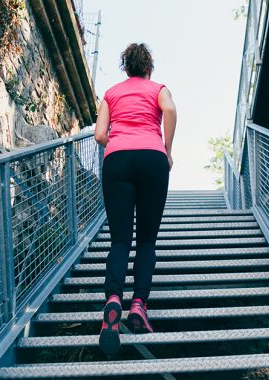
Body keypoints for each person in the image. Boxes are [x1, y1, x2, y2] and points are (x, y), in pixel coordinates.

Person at [93, 42, 176, 355]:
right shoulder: (158, 89)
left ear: (125, 68)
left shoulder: (111, 94)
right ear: (149, 68)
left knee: (119, 240)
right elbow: (170, 109)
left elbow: (100, 135)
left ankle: (113, 298)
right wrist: (166, 149)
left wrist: (119, 135)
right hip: (152, 159)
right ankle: (139, 305)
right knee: (146, 241)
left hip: (118, 160)